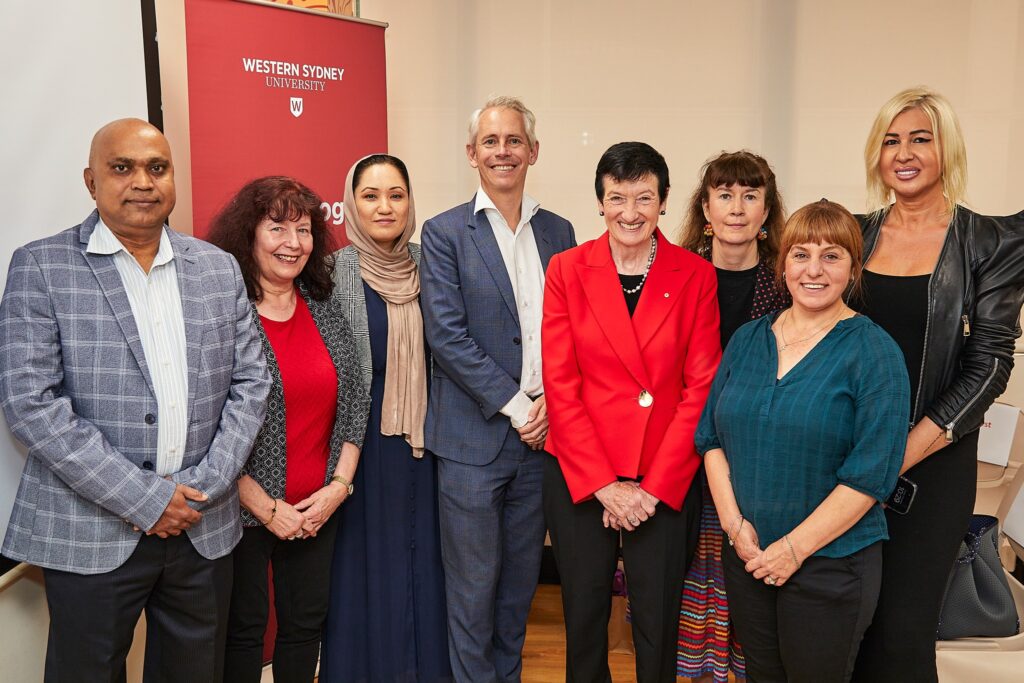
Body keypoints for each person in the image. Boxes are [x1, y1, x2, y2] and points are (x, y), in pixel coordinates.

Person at [0, 118, 271, 681]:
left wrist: (203, 488)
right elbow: (31, 402)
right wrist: (147, 499)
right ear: (91, 181)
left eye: (157, 168)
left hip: (201, 526)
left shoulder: (217, 267)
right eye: (122, 168)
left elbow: (252, 383)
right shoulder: (42, 266)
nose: (143, 182)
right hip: (90, 528)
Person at [851, 87, 1024, 683]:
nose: (903, 153)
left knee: (903, 635)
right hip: (846, 460)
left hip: (930, 466)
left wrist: (894, 459)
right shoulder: (852, 235)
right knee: (847, 630)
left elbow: (989, 366)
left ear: (946, 148)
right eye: (891, 141)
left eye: (920, 139)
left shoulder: (991, 241)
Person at [697, 200, 909, 683]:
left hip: (831, 566)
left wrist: (793, 549)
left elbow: (872, 474)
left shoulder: (874, 351)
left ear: (854, 268)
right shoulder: (747, 340)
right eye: (801, 254)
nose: (814, 270)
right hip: (749, 557)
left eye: (831, 256)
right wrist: (735, 528)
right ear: (783, 263)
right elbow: (710, 438)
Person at [541, 141, 720, 683]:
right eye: (617, 197)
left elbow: (700, 389)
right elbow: (561, 385)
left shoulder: (695, 274)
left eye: (644, 197)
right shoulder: (567, 269)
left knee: (658, 624)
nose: (630, 212)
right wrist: (604, 485)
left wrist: (650, 489)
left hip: (662, 475)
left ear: (663, 201)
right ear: (600, 202)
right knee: (584, 619)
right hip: (582, 472)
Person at [420, 95, 576, 683]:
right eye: (491, 141)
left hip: (542, 444)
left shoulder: (559, 231)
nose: (502, 151)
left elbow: (573, 331)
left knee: (518, 590)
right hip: (473, 443)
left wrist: (551, 404)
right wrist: (519, 408)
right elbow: (447, 336)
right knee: (472, 591)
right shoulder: (444, 233)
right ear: (472, 153)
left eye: (514, 141)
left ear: (533, 151)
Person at [208, 176, 370, 683]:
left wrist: (338, 488)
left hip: (318, 510)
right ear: (249, 235)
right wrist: (266, 508)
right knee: (243, 631)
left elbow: (355, 403)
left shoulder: (323, 308)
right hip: (243, 513)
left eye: (303, 230)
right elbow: (206, 426)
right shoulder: (225, 316)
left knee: (304, 628)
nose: (292, 243)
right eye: (277, 228)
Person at [320, 154, 452, 682]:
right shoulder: (329, 274)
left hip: (429, 446)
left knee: (428, 565)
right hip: (360, 448)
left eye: (396, 195)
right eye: (370, 195)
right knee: (362, 568)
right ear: (351, 204)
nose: (384, 207)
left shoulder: (432, 264)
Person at [675, 150, 789, 682]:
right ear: (706, 208)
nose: (737, 208)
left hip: (758, 460)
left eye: (750, 195)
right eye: (724, 195)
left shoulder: (790, 283)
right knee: (689, 581)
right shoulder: (675, 275)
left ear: (767, 211)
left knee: (752, 582)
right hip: (682, 456)